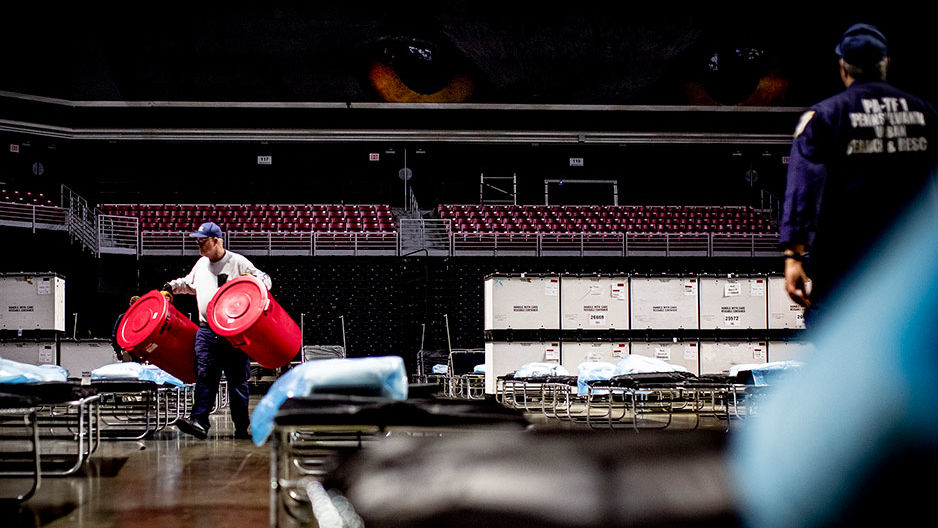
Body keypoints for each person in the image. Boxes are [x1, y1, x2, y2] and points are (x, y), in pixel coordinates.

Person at [780, 23, 937, 327]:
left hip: (844, 263)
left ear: (843, 66)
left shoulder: (825, 116)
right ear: (885, 63)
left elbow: (803, 187)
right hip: (912, 263)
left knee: (841, 341)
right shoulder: (926, 113)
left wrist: (794, 256)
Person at [163, 221, 271, 440]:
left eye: (202, 242)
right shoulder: (201, 264)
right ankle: (199, 422)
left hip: (234, 333)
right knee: (204, 377)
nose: (199, 246)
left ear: (216, 241)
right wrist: (171, 287)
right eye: (197, 242)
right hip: (206, 331)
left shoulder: (238, 262)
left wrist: (253, 281)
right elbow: (189, 284)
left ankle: (241, 427)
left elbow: (266, 281)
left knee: (237, 382)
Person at [111, 295, 140, 362]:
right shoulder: (144, 318)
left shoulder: (122, 317)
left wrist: (118, 351)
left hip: (128, 350)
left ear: (130, 304)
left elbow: (115, 335)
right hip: (139, 352)